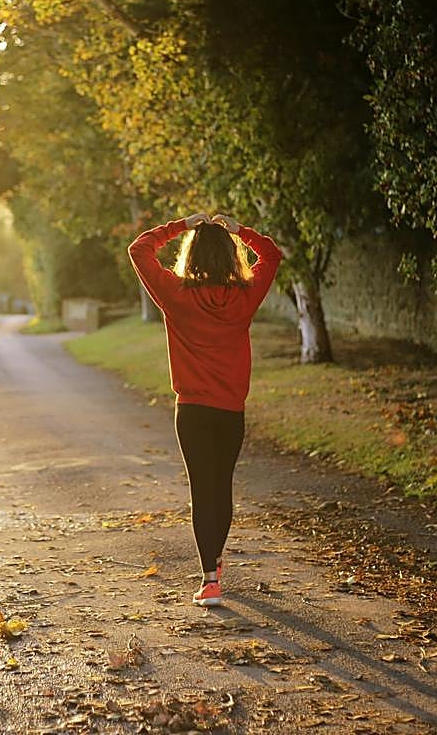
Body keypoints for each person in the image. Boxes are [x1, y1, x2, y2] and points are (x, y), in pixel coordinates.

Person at [128, 212, 283, 607]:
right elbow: (272, 255)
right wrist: (239, 231)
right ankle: (214, 561)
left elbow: (139, 249)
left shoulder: (176, 295)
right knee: (221, 486)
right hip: (230, 411)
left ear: (191, 255)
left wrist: (182, 225)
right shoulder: (245, 296)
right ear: (231, 257)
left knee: (202, 489)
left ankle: (210, 578)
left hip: (193, 411)